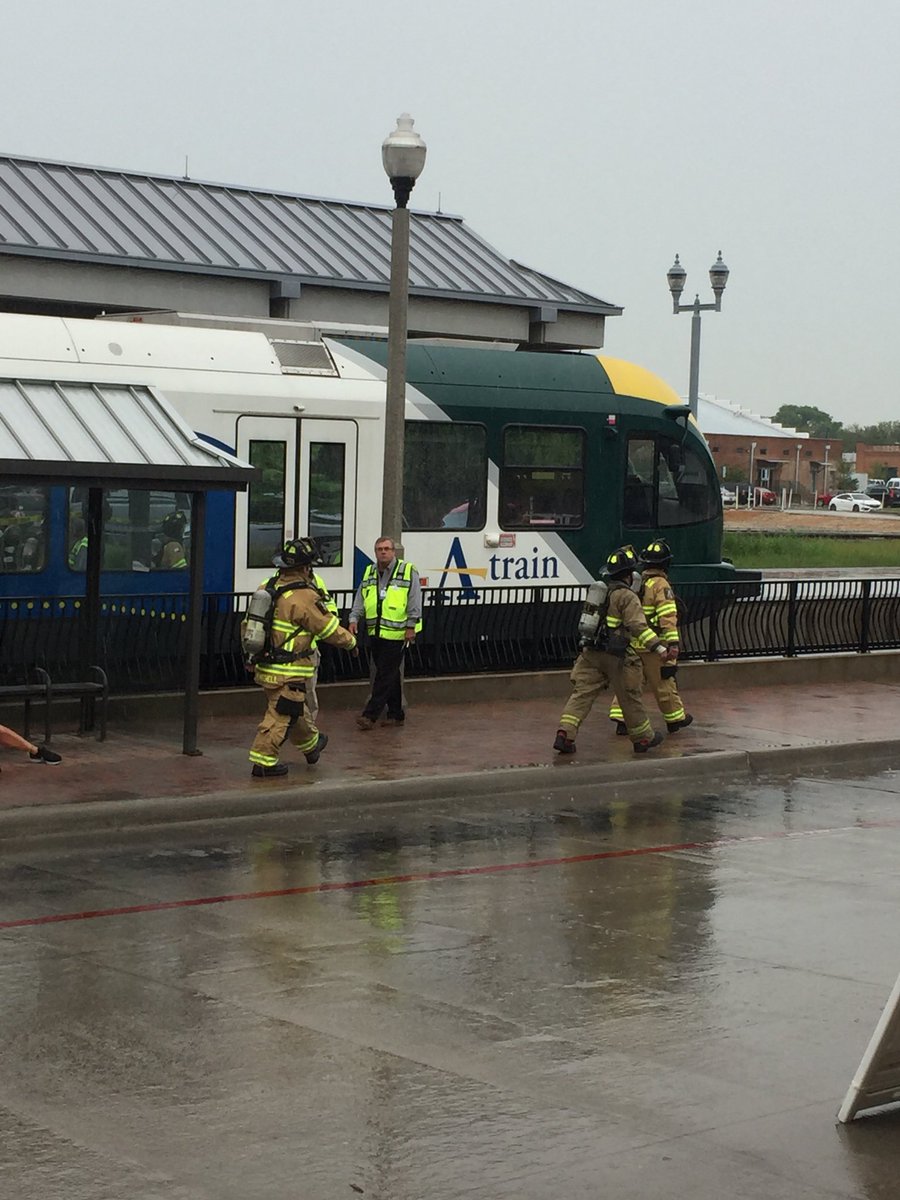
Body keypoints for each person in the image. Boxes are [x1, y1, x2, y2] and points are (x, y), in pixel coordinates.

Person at [246, 537, 356, 778]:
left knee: (295, 709)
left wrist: (250, 657)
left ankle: (312, 744)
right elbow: (326, 628)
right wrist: (351, 642)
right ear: (306, 568)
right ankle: (263, 762)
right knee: (282, 713)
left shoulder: (267, 587)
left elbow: (249, 624)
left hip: (265, 664)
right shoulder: (304, 595)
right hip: (290, 668)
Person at [554, 545, 668, 756]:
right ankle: (643, 738)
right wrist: (658, 647)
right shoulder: (627, 597)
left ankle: (565, 734)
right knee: (629, 696)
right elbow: (637, 626)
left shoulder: (601, 592)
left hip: (590, 652)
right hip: (617, 656)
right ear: (629, 575)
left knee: (582, 695)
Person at [607, 539, 692, 735]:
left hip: (635, 642)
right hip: (656, 645)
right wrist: (672, 642)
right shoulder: (661, 584)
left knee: (630, 684)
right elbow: (668, 615)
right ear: (665, 564)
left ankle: (621, 719)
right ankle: (675, 719)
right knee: (664, 682)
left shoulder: (637, 582)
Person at [348, 537, 422, 729]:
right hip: (376, 631)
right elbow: (361, 596)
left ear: (393, 552)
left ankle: (370, 715)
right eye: (379, 549)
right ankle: (396, 714)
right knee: (391, 674)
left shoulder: (407, 570)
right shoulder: (369, 571)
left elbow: (414, 599)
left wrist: (410, 626)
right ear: (375, 552)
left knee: (384, 673)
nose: (383, 552)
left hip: (398, 633)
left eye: (387, 549)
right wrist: (354, 619)